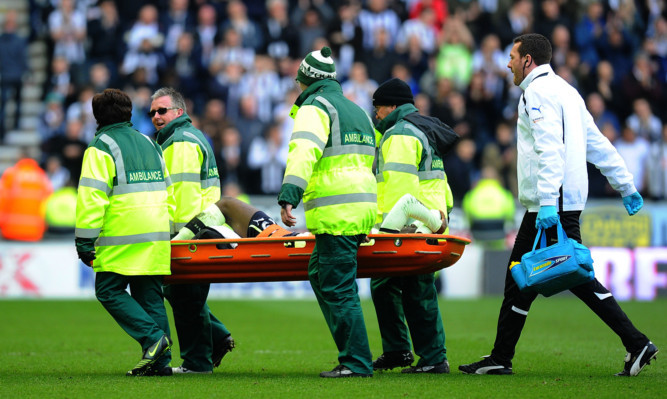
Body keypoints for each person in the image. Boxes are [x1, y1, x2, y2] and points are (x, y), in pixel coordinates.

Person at [458, 33, 658, 377]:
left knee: (575, 277)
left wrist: (549, 202)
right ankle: (500, 357)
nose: (507, 63)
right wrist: (625, 184)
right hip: (558, 200)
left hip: (551, 204)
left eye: (512, 56)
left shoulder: (536, 94)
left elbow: (549, 149)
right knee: (519, 279)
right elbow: (596, 143)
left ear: (528, 60)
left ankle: (636, 342)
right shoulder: (567, 91)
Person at [277, 46, 377, 378]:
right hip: (360, 208)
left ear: (305, 80)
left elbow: (303, 152)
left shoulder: (314, 107)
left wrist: (289, 194)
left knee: (337, 287)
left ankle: (356, 362)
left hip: (338, 212)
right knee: (320, 274)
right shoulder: (356, 110)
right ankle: (354, 356)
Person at [74, 88, 174, 376]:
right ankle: (161, 364)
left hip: (123, 233)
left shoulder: (100, 146)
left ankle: (153, 340)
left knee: (108, 290)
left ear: (96, 116)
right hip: (156, 232)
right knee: (150, 296)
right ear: (130, 113)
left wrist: (84, 240)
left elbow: (92, 198)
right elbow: (169, 190)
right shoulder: (149, 142)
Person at [370, 77, 453, 375]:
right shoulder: (422, 129)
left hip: (411, 223)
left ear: (392, 106)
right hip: (428, 217)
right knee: (386, 284)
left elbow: (399, 187)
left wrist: (397, 228)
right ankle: (400, 351)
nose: (376, 114)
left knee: (415, 288)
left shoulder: (399, 134)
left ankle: (431, 358)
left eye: (378, 108)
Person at [150, 87, 234, 374]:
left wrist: (175, 238)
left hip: (189, 233)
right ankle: (218, 335)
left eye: (162, 110)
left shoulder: (180, 142)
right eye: (152, 112)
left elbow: (182, 199)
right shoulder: (187, 137)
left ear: (179, 112)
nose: (156, 116)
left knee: (185, 299)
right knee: (185, 297)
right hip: (202, 228)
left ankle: (197, 363)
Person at [0, 150, 53, 241]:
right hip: (35, 232)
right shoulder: (41, 176)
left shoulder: (11, 174)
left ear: (20, 158)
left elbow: (2, 201)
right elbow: (49, 204)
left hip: (10, 231)